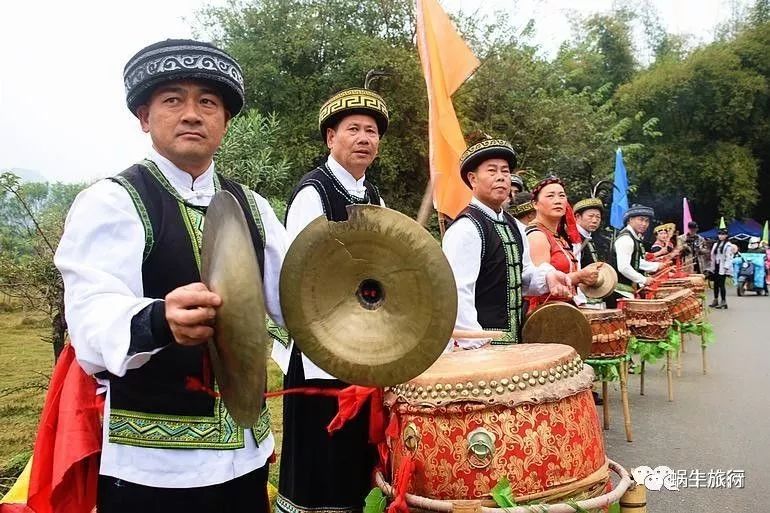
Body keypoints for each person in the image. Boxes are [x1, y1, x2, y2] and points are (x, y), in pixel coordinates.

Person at [54, 39, 288, 512]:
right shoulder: (113, 200)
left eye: (208, 102)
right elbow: (91, 314)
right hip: (154, 463)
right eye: (173, 99)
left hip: (245, 449)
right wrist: (161, 318)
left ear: (224, 119)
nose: (192, 114)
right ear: (144, 117)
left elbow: (294, 296)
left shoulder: (254, 206)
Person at [274, 88, 389, 513]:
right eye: (354, 129)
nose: (364, 138)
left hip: (369, 343)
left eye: (372, 131)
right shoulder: (313, 193)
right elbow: (299, 273)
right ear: (330, 138)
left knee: (358, 456)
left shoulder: (374, 196)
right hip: (322, 347)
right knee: (320, 460)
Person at [442, 139, 572, 349]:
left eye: (505, 171)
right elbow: (456, 291)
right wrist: (476, 343)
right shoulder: (466, 228)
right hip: (476, 349)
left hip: (511, 344)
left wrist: (547, 276)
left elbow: (521, 275)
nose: (501, 177)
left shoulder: (514, 225)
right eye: (492, 171)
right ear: (472, 179)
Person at [525, 177, 600, 312]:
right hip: (544, 313)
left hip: (562, 311)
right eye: (550, 196)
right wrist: (578, 276)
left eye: (561, 196)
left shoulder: (559, 237)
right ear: (535, 204)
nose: (558, 200)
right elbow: (537, 283)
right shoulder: (537, 235)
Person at [609, 204, 661, 306]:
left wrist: (656, 266)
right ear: (630, 220)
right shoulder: (626, 239)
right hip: (620, 291)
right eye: (641, 220)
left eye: (646, 221)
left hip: (627, 290)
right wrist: (644, 280)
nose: (644, 224)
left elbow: (635, 261)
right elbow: (624, 267)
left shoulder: (633, 237)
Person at [573, 196, 605, 270]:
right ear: (578, 217)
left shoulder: (599, 239)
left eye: (598, 217)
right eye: (590, 216)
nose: (594, 220)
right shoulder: (569, 238)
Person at [710, 228, 734, 308]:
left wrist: (726, 267)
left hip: (723, 266)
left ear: (726, 235)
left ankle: (723, 301)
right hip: (716, 265)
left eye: (723, 234)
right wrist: (712, 267)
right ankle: (715, 299)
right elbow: (713, 256)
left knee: (721, 284)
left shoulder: (728, 245)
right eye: (720, 234)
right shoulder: (716, 244)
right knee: (715, 284)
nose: (721, 236)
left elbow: (729, 257)